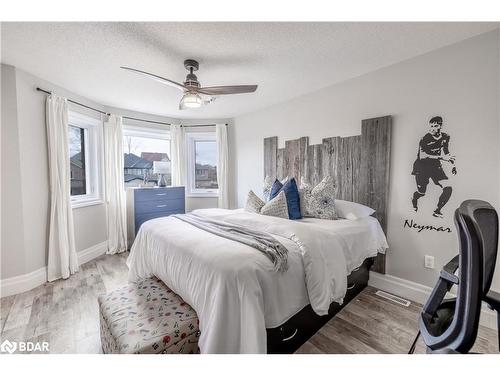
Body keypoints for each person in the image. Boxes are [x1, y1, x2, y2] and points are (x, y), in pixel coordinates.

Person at [411, 116, 457, 218]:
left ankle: (437, 211)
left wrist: (453, 165)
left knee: (448, 188)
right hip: (421, 167)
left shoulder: (445, 137)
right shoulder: (425, 138)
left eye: (435, 126)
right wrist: (442, 157)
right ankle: (414, 199)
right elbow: (422, 156)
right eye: (431, 126)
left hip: (435, 166)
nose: (432, 128)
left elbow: (446, 151)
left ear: (440, 126)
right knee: (421, 193)